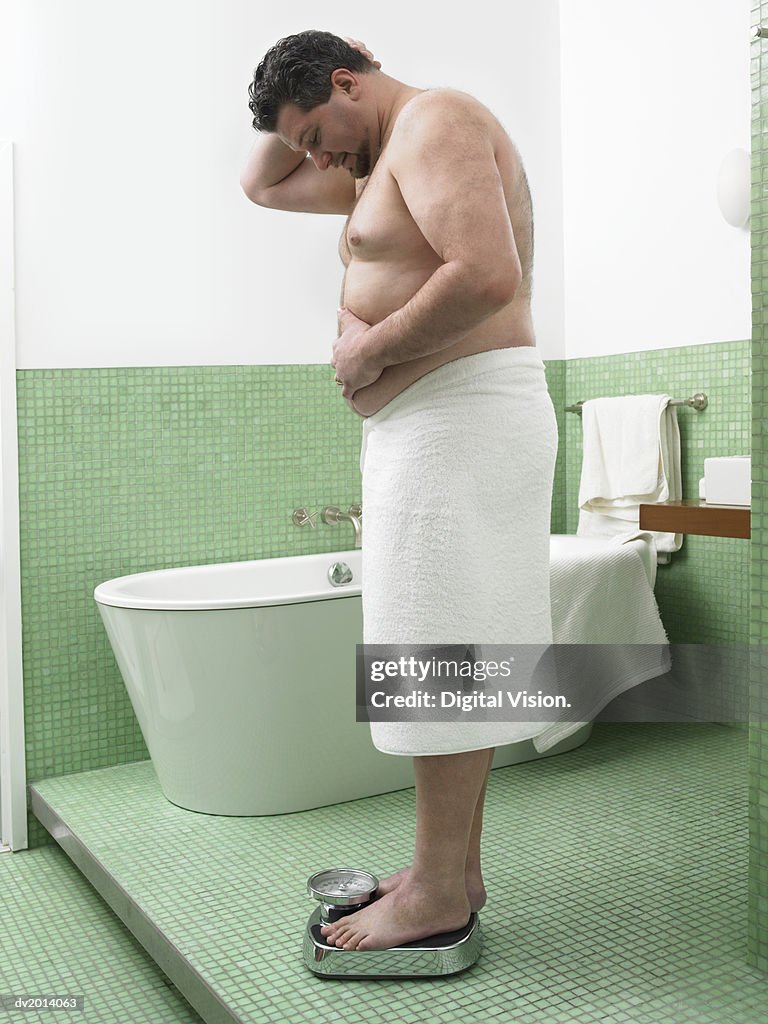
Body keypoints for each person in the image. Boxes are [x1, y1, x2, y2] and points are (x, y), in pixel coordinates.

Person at [242, 30, 557, 952]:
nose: (314, 158)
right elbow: (257, 184)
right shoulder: (375, 159)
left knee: (438, 652)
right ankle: (446, 870)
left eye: (316, 132)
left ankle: (435, 899)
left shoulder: (437, 121)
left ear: (350, 83)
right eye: (305, 143)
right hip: (431, 426)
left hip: (463, 417)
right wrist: (293, 98)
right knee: (445, 648)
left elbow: (488, 276)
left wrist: (368, 348)